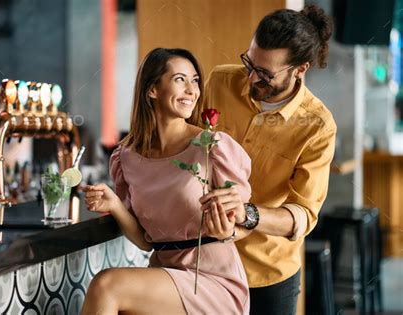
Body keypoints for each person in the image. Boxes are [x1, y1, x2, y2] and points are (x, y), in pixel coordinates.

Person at [81, 48, 253, 314]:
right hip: (165, 275)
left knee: (107, 285)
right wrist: (114, 204)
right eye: (180, 80)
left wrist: (228, 231)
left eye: (195, 80)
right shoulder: (125, 158)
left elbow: (245, 222)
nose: (191, 90)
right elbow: (146, 242)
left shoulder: (212, 148)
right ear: (152, 90)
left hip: (212, 281)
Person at [200, 5, 337, 315]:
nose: (250, 77)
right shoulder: (220, 82)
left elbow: (303, 215)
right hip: (204, 261)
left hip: (267, 275)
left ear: (300, 69)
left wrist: (247, 214)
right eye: (249, 62)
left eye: (264, 73)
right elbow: (190, 146)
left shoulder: (317, 126)